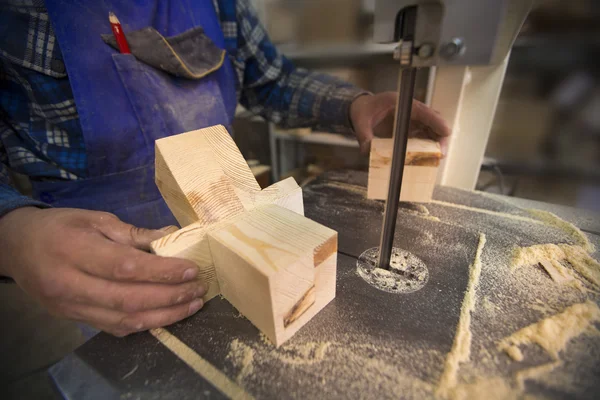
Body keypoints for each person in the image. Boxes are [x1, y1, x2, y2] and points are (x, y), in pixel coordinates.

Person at [0, 0, 449, 339]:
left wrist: (353, 104)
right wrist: (10, 230)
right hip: (97, 261)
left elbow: (271, 79)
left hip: (228, 200)